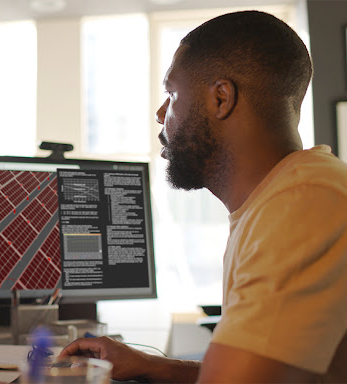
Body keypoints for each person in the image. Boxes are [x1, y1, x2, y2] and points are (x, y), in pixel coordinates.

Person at [59, 10, 347, 383]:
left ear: (221, 98)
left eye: (172, 95)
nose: (161, 114)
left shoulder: (300, 206)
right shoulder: (284, 197)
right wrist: (155, 366)